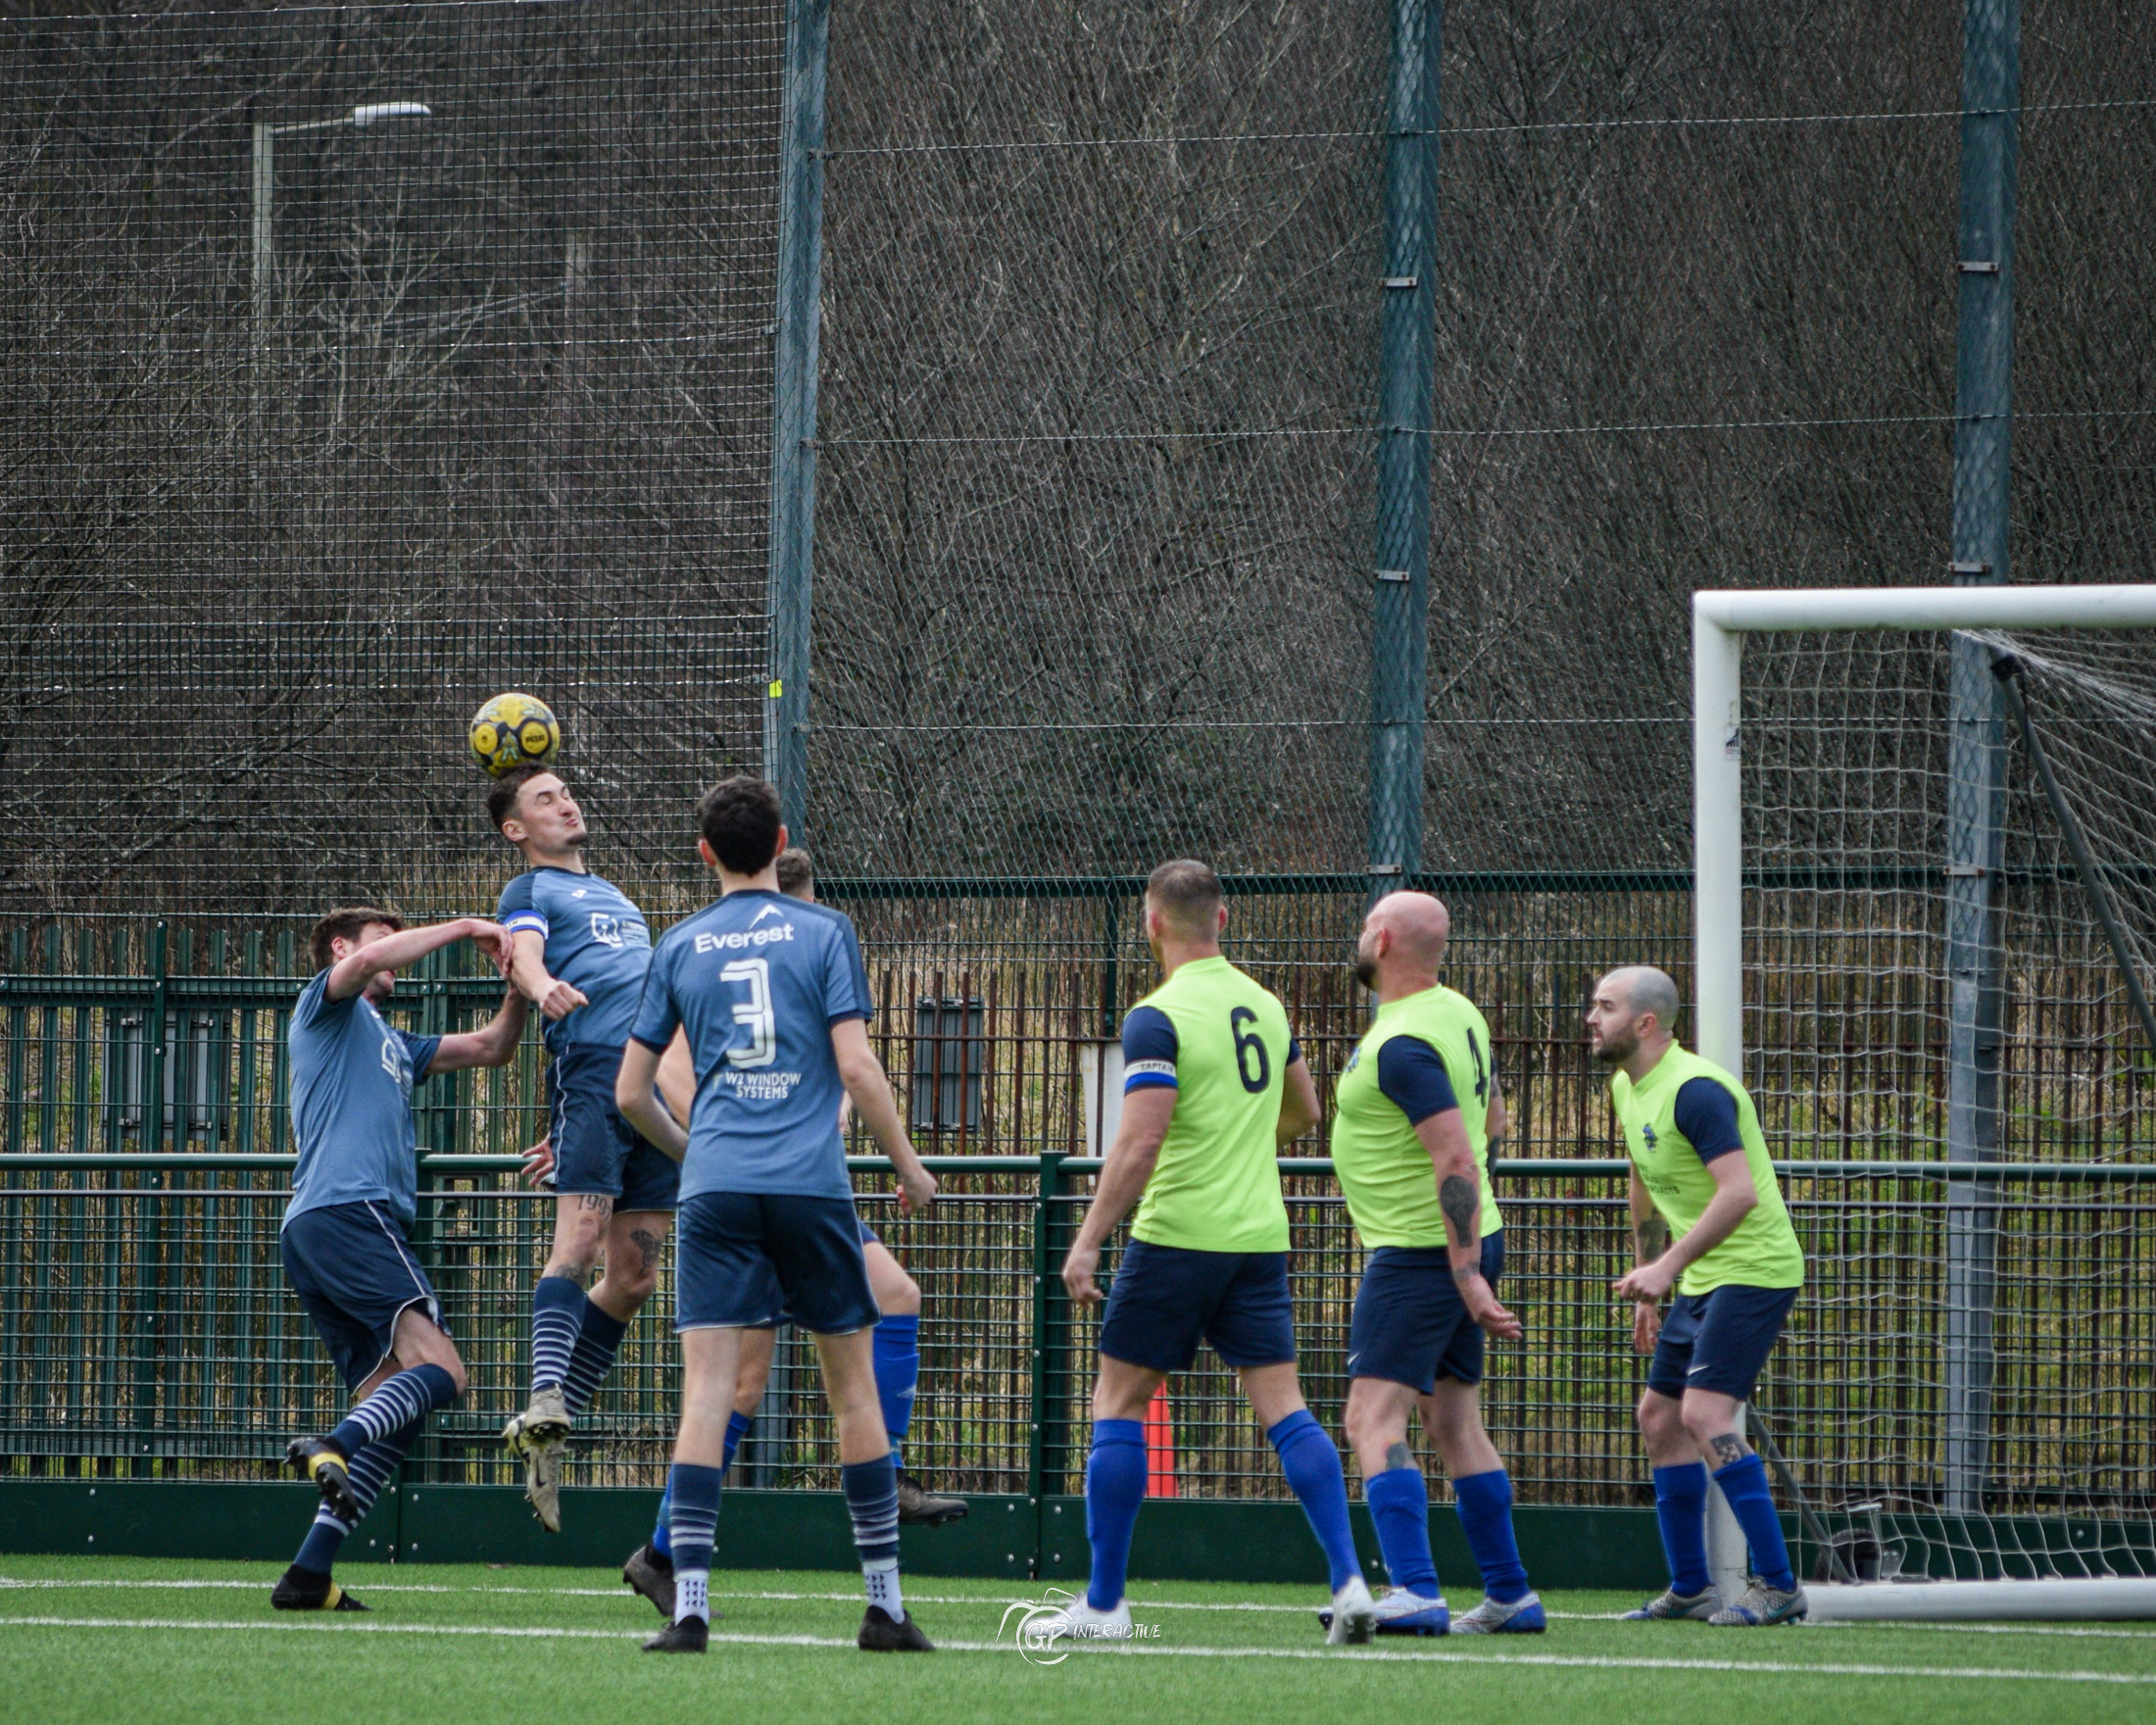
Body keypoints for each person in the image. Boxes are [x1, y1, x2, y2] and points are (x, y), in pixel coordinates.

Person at [614, 776, 940, 1653]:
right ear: (783, 837)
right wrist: (908, 1165)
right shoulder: (826, 931)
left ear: (705, 852)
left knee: (708, 1395)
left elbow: (632, 1092)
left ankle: (690, 1611)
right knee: (853, 1392)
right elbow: (859, 1068)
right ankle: (884, 1606)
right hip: (810, 1186)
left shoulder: (679, 944)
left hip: (719, 1189)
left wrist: (696, 1155)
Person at [1054, 859, 1377, 1645]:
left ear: (1151, 923)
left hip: (1176, 1237)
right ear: (1222, 921)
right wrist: (1238, 1146)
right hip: (1259, 1239)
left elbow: (1141, 1139)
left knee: (1118, 1403)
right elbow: (1304, 1110)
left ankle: (1104, 1605)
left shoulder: (1155, 1016)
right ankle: (1352, 1581)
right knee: (1288, 1409)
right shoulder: (1264, 1004)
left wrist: (1089, 1241)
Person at [273, 908, 525, 1611]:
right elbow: (356, 972)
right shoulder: (325, 1005)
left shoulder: (390, 1039)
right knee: (445, 1371)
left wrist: (520, 985)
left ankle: (308, 1575)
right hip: (350, 1213)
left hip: (326, 1229)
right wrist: (467, 925)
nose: (393, 956)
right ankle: (334, 1442)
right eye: (382, 942)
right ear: (341, 948)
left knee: (399, 1403)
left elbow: (490, 1050)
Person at [1326, 891, 1543, 1636]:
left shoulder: (1404, 1041)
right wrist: (1475, 1257)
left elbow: (1457, 1153)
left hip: (1423, 1255)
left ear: (1382, 941)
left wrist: (1462, 1271)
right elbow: (1494, 1123)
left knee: (1369, 1417)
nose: (1359, 937)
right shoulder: (1459, 1013)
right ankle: (1511, 1595)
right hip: (1455, 1247)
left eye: (1363, 928)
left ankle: (1414, 1590)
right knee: (1455, 1420)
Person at [490, 766, 694, 1534]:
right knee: (573, 1241)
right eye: (545, 798)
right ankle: (545, 1394)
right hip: (593, 1075)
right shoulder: (528, 892)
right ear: (517, 829)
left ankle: (550, 1423)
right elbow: (526, 956)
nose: (566, 801)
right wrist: (542, 989)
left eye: (566, 790)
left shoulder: (620, 898)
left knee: (635, 1276)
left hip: (651, 1090)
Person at [1587, 965, 1808, 1628]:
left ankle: (1777, 1584)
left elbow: (1738, 1193)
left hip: (1756, 1270)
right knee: (1659, 1418)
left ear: (1646, 1023)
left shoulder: (1698, 1090)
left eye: (1605, 1006)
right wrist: (1649, 1282)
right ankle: (1691, 1589)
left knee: (1707, 1417)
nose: (1590, 1018)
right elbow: (1643, 1182)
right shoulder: (1629, 1086)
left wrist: (1671, 1265)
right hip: (1703, 1276)